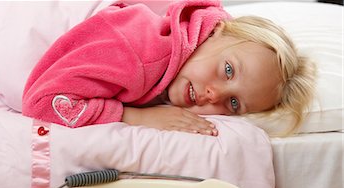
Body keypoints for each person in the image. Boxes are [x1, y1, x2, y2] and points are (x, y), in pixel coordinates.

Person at [22, 0, 316, 136]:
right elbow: (42, 105)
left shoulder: (183, 58)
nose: (214, 95)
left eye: (234, 103)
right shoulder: (140, 50)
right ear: (216, 32)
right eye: (228, 70)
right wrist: (134, 116)